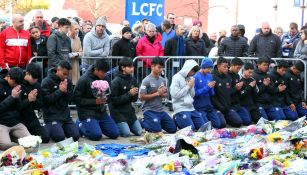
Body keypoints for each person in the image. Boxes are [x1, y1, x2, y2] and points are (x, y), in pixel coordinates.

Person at [74, 59, 119, 140]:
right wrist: (95, 101)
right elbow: (76, 99)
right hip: (87, 112)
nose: (104, 75)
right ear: (96, 69)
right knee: (96, 136)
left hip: (101, 112)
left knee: (115, 133)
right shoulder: (84, 80)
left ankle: (95, 126)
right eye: (102, 72)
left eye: (106, 72)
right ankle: (80, 124)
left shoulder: (105, 78)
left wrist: (106, 98)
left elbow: (111, 95)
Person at [41, 61, 79, 142]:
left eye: (67, 74)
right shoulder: (47, 81)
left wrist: (65, 92)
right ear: (58, 70)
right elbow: (45, 101)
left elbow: (71, 99)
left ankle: (61, 129)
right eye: (64, 74)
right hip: (52, 116)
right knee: (59, 138)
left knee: (75, 137)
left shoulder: (67, 81)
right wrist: (60, 91)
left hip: (65, 116)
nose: (66, 77)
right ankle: (46, 127)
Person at [139, 57, 177, 133]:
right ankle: (142, 122)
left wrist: (163, 94)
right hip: (149, 110)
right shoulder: (146, 80)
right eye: (159, 67)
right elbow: (141, 97)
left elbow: (166, 95)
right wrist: (157, 93)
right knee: (156, 130)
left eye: (162, 68)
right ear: (152, 67)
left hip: (160, 110)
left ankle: (156, 122)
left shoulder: (163, 80)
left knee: (173, 129)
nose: (161, 70)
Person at [109, 58, 142, 137]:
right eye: (129, 67)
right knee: (126, 133)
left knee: (139, 132)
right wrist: (129, 94)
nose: (132, 69)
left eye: (132, 67)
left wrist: (134, 94)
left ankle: (128, 125)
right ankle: (113, 123)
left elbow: (134, 100)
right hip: (118, 112)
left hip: (129, 111)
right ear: (123, 68)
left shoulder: (133, 80)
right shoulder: (115, 81)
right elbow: (114, 100)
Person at [170, 60, 208, 130]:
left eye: (194, 72)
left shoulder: (191, 78)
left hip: (191, 107)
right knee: (191, 129)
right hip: (180, 107)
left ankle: (181, 119)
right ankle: (176, 117)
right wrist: (188, 86)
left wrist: (191, 87)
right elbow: (174, 94)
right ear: (188, 69)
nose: (193, 74)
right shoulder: (176, 77)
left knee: (203, 128)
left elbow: (192, 95)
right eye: (192, 71)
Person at [0, 68, 30, 150]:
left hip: (15, 122)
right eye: (14, 83)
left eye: (17, 84)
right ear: (9, 77)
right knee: (6, 146)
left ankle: (13, 138)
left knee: (31, 142)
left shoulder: (17, 85)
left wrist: (20, 98)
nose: (15, 85)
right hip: (2, 122)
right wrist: (12, 97)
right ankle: (11, 140)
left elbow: (19, 107)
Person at [19, 63, 49, 143]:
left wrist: (34, 100)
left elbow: (41, 104)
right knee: (26, 141)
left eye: (37, 78)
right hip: (20, 118)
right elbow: (16, 107)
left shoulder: (37, 85)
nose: (35, 80)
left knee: (45, 138)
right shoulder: (19, 84)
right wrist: (28, 100)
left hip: (32, 118)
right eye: (34, 78)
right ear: (27, 73)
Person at [211, 57, 245, 127]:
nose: (227, 68)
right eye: (224, 67)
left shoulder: (228, 77)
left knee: (238, 122)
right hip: (218, 108)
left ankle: (225, 118)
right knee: (221, 124)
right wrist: (220, 108)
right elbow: (213, 97)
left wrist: (236, 88)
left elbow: (229, 92)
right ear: (218, 66)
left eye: (227, 67)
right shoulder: (212, 77)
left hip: (227, 108)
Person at [193, 57, 226, 128]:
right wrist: (208, 87)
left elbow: (212, 93)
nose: (210, 70)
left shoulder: (210, 76)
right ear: (203, 67)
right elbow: (195, 93)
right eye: (208, 68)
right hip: (199, 107)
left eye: (211, 68)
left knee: (218, 124)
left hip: (209, 106)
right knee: (206, 127)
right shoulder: (196, 77)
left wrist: (212, 87)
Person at [228, 58, 252, 125]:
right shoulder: (226, 75)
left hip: (237, 104)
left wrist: (242, 87)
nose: (238, 70)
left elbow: (239, 92)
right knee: (238, 123)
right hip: (229, 104)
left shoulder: (237, 76)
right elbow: (226, 93)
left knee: (248, 121)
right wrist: (235, 88)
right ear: (232, 65)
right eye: (237, 68)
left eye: (240, 69)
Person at [67, 21, 82, 85]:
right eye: (75, 29)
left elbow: (81, 51)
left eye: (78, 29)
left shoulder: (78, 39)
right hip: (67, 62)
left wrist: (77, 54)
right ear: (70, 29)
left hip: (75, 62)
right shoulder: (66, 38)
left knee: (75, 82)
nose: (77, 30)